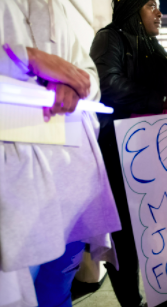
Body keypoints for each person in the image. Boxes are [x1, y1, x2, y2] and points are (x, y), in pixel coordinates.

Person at [0, 1, 121, 306]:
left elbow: (89, 75)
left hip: (72, 184)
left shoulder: (59, 7)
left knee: (57, 290)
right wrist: (25, 58)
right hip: (16, 189)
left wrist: (76, 82)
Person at [90, 0, 167, 306]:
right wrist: (165, 101)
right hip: (121, 157)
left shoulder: (155, 48)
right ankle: (132, 303)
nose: (159, 13)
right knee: (125, 240)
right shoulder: (111, 38)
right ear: (133, 7)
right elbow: (107, 84)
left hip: (158, 160)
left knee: (156, 233)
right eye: (151, 5)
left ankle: (159, 298)